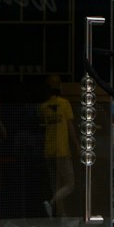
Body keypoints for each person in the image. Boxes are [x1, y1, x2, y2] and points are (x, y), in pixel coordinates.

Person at [37, 74, 77, 215]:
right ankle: (51, 203)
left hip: (49, 149)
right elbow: (70, 127)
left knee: (56, 186)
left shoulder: (43, 107)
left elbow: (42, 126)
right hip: (61, 150)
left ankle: (62, 216)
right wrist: (77, 146)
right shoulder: (64, 104)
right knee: (70, 184)